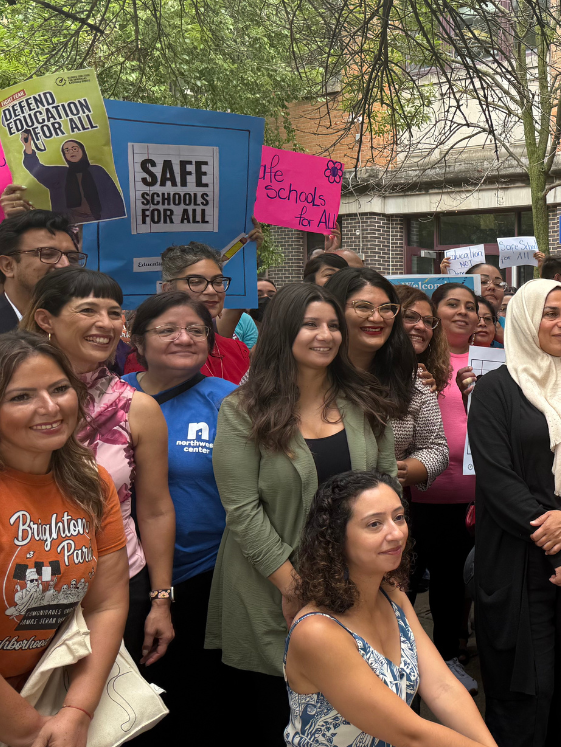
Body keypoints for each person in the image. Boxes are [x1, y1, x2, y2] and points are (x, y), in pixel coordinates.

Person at [206, 283, 397, 743]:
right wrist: (295, 588)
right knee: (284, 717)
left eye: (332, 324)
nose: (325, 335)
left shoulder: (366, 401)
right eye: (310, 324)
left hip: (358, 584)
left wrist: (386, 562)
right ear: (282, 332)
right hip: (272, 587)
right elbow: (242, 509)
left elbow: (388, 484)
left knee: (357, 718)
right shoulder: (242, 410)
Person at [467, 278, 561, 745]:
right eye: (550, 313)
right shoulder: (495, 390)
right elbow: (498, 480)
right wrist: (557, 548)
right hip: (520, 557)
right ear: (523, 320)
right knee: (527, 682)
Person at [24, 267, 177, 667]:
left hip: (117, 584)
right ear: (45, 319)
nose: (106, 324)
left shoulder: (137, 408)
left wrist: (161, 598)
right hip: (24, 584)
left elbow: (156, 508)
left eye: (114, 312)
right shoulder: (11, 399)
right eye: (89, 310)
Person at [282, 470, 498, 747]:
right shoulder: (316, 631)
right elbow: (412, 735)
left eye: (398, 517)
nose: (396, 533)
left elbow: (444, 689)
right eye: (374, 524)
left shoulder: (392, 595)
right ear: (336, 539)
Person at [0, 332, 131, 747]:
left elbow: (106, 603)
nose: (50, 407)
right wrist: (31, 731)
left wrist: (76, 712)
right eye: (21, 397)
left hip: (52, 688)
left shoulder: (91, 482)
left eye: (59, 389)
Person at [122, 291, 238, 744]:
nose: (183, 338)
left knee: (201, 696)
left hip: (210, 573)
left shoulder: (231, 401)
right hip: (127, 574)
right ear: (137, 339)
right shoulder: (112, 399)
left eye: (195, 330)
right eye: (167, 329)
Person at [410, 281, 481, 691]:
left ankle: (449, 657)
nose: (462, 312)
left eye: (470, 306)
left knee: (455, 584)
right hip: (422, 497)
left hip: (472, 497)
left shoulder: (492, 361)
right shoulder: (420, 361)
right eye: (452, 304)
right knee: (415, 581)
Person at [324, 268, 449, 492]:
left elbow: (436, 448)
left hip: (383, 510)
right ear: (333, 311)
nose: (376, 317)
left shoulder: (412, 380)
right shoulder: (305, 372)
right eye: (363, 307)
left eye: (386, 309)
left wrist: (400, 471)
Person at [123, 242, 252, 383]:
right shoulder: (151, 353)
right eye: (196, 282)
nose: (211, 290)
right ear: (168, 289)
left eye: (218, 281)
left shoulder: (238, 350)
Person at [0, 208, 82, 333]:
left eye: (72, 257)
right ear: (8, 266)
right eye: (48, 254)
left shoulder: (85, 325)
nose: (65, 265)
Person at [21, 135, 125, 223]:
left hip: (101, 222)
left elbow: (114, 198)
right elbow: (34, 166)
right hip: (69, 225)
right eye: (67, 150)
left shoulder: (97, 171)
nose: (71, 152)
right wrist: (27, 145)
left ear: (82, 150)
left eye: (74, 148)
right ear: (65, 155)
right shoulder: (59, 174)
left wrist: (116, 222)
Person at [396, 285, 453, 394]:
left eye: (428, 321)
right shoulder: (364, 375)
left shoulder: (424, 382)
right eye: (410, 317)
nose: (421, 326)